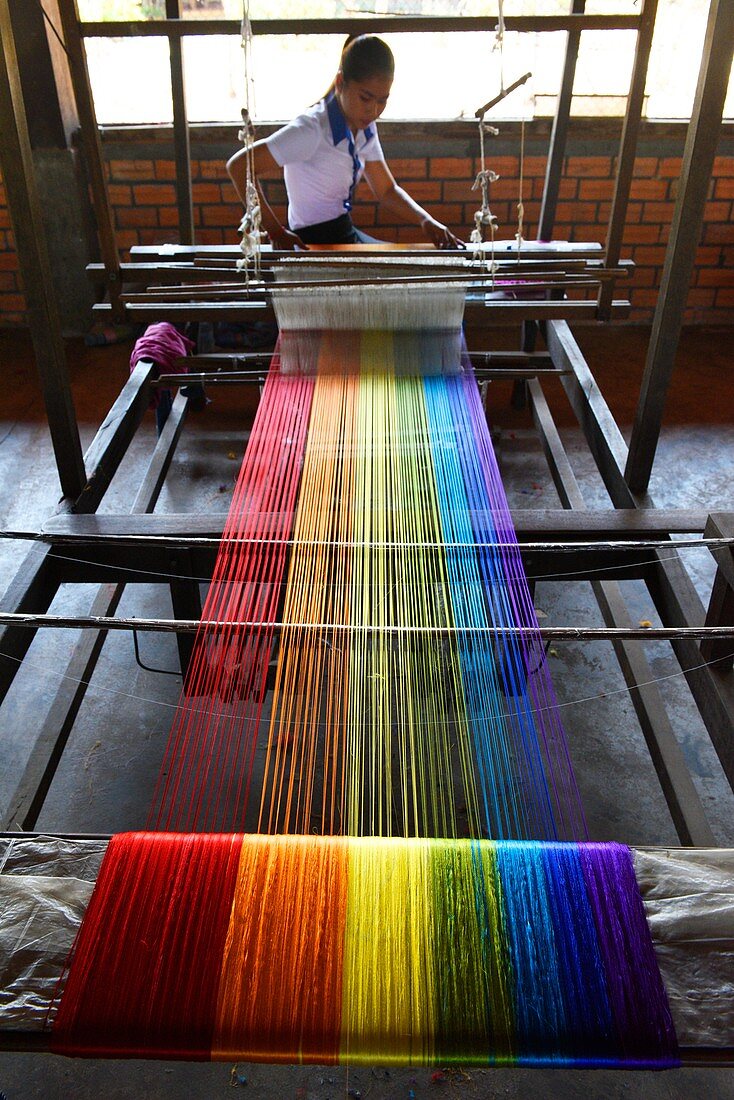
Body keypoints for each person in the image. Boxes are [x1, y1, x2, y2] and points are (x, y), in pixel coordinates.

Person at [226, 35, 464, 250]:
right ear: (340, 82)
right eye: (365, 98)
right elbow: (239, 166)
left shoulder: (365, 127)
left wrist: (426, 220)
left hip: (343, 233)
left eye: (383, 100)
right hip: (312, 243)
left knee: (413, 266)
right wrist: (276, 231)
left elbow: (386, 190)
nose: (374, 110)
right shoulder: (312, 129)